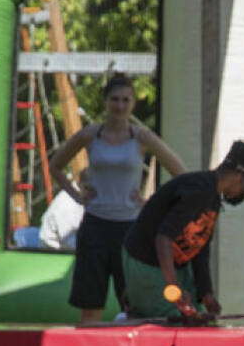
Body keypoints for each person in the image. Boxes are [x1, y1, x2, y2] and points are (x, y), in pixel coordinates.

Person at [49, 73, 187, 323]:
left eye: (126, 100)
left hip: (130, 230)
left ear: (133, 103)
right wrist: (77, 195)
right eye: (115, 99)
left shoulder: (141, 137)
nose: (120, 106)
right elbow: (55, 166)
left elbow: (180, 172)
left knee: (132, 305)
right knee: (90, 305)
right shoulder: (90, 135)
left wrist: (152, 202)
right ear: (105, 101)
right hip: (95, 226)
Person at [122, 140, 244, 320]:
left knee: (198, 319)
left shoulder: (213, 198)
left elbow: (199, 249)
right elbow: (163, 238)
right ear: (240, 176)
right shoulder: (200, 190)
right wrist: (175, 287)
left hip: (173, 266)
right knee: (171, 323)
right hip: (147, 262)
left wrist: (206, 293)